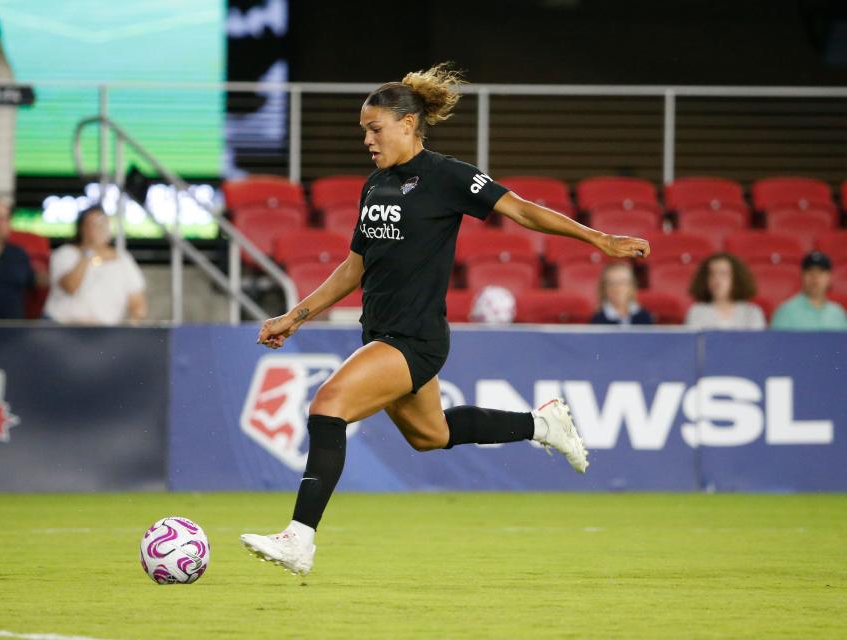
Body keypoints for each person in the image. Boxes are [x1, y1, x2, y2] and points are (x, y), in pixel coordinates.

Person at [239, 63, 650, 575]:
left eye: (375, 128)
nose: (367, 139)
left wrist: (600, 240)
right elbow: (354, 268)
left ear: (408, 124)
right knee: (429, 435)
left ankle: (300, 539)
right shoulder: (375, 186)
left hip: (414, 338)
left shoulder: (447, 176)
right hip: (382, 333)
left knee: (328, 406)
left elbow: (522, 211)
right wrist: (294, 315)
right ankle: (543, 424)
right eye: (364, 131)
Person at [43, 206, 147, 325]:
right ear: (82, 228)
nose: (100, 228)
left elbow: (137, 300)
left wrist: (134, 323)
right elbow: (71, 286)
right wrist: (89, 251)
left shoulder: (123, 259)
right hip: (62, 327)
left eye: (103, 223)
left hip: (103, 332)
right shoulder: (65, 254)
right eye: (93, 224)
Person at [685, 253, 765, 329]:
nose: (717, 280)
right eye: (712, 274)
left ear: (737, 279)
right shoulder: (697, 311)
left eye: (723, 274)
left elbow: (758, 342)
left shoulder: (752, 312)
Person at [771, 251, 847, 330]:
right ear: (802, 275)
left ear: (830, 277)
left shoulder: (838, 314)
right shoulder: (786, 312)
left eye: (820, 272)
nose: (815, 277)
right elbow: (777, 342)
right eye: (810, 271)